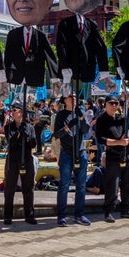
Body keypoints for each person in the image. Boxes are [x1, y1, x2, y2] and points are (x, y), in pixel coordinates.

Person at [2, 0, 59, 92]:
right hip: (16, 77)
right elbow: (8, 58)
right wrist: (3, 80)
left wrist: (55, 79)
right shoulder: (13, 34)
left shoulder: (41, 36)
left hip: (34, 76)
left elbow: (50, 58)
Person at [96, 94, 129, 223]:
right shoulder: (102, 119)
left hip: (126, 154)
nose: (114, 105)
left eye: (116, 103)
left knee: (128, 183)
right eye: (111, 103)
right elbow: (100, 139)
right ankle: (108, 211)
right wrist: (117, 143)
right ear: (106, 105)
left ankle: (126, 209)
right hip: (113, 154)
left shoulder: (121, 117)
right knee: (112, 185)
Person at [52, 94, 90, 226]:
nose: (73, 99)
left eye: (75, 97)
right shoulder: (61, 115)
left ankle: (79, 215)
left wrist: (81, 118)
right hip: (67, 153)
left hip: (80, 152)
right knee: (64, 185)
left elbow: (85, 131)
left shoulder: (81, 112)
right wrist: (68, 126)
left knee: (81, 186)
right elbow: (56, 135)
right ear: (65, 100)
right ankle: (61, 216)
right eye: (70, 97)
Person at [2, 102, 38, 225]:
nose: (13, 112)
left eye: (15, 110)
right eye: (12, 110)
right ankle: (7, 216)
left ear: (21, 112)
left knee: (28, 188)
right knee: (9, 188)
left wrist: (27, 136)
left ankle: (29, 214)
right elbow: (10, 143)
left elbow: (33, 144)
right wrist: (18, 133)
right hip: (13, 160)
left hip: (27, 159)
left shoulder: (30, 127)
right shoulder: (9, 127)